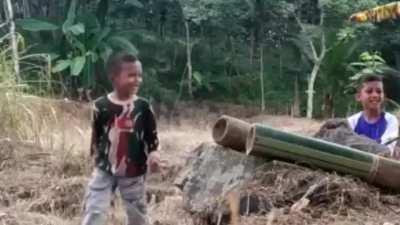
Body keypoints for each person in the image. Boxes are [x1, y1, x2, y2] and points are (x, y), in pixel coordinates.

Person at [81, 52, 160, 225]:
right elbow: (96, 134)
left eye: (139, 75)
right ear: (114, 77)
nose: (137, 79)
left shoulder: (143, 107)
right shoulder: (100, 106)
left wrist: (154, 154)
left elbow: (151, 135)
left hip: (134, 171)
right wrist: (93, 155)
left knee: (137, 213)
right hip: (104, 169)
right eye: (131, 75)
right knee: (94, 207)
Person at [347, 74, 399, 156]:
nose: (375, 95)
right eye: (369, 91)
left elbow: (386, 151)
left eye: (379, 91)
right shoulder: (351, 121)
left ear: (384, 96)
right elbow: (346, 147)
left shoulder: (391, 120)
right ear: (358, 97)